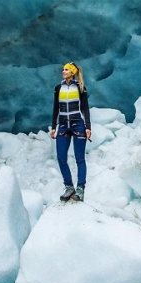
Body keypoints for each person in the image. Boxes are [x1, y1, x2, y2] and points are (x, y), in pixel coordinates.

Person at [49, 62, 91, 202]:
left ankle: (80, 188)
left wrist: (88, 127)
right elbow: (56, 107)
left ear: (72, 72)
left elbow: (85, 108)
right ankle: (69, 187)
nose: (63, 71)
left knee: (80, 158)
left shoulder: (80, 88)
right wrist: (53, 126)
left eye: (66, 69)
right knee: (61, 157)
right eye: (63, 69)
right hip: (62, 125)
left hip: (78, 124)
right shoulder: (58, 88)